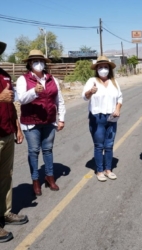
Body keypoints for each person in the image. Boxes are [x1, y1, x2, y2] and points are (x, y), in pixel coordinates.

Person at [17, 50, 66, 195]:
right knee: (33, 151)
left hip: (49, 121)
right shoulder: (23, 79)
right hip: (31, 123)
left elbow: (59, 100)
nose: (39, 63)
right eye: (35, 61)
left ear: (45, 63)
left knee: (48, 150)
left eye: (41, 60)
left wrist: (61, 118)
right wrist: (34, 91)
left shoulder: (53, 80)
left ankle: (49, 177)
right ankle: (35, 180)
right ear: (30, 64)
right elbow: (21, 99)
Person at [0, 41, 28, 243]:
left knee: (6, 176)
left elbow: (11, 105)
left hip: (7, 132)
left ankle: (5, 212)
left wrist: (17, 127)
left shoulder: (4, 75)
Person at [82, 56, 123, 182]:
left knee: (109, 145)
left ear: (109, 69)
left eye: (105, 67)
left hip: (111, 118)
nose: (103, 69)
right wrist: (90, 92)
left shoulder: (114, 82)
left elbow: (120, 98)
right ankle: (100, 170)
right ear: (97, 69)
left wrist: (117, 109)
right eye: (100, 67)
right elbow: (84, 97)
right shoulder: (92, 81)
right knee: (99, 146)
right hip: (97, 118)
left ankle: (108, 169)